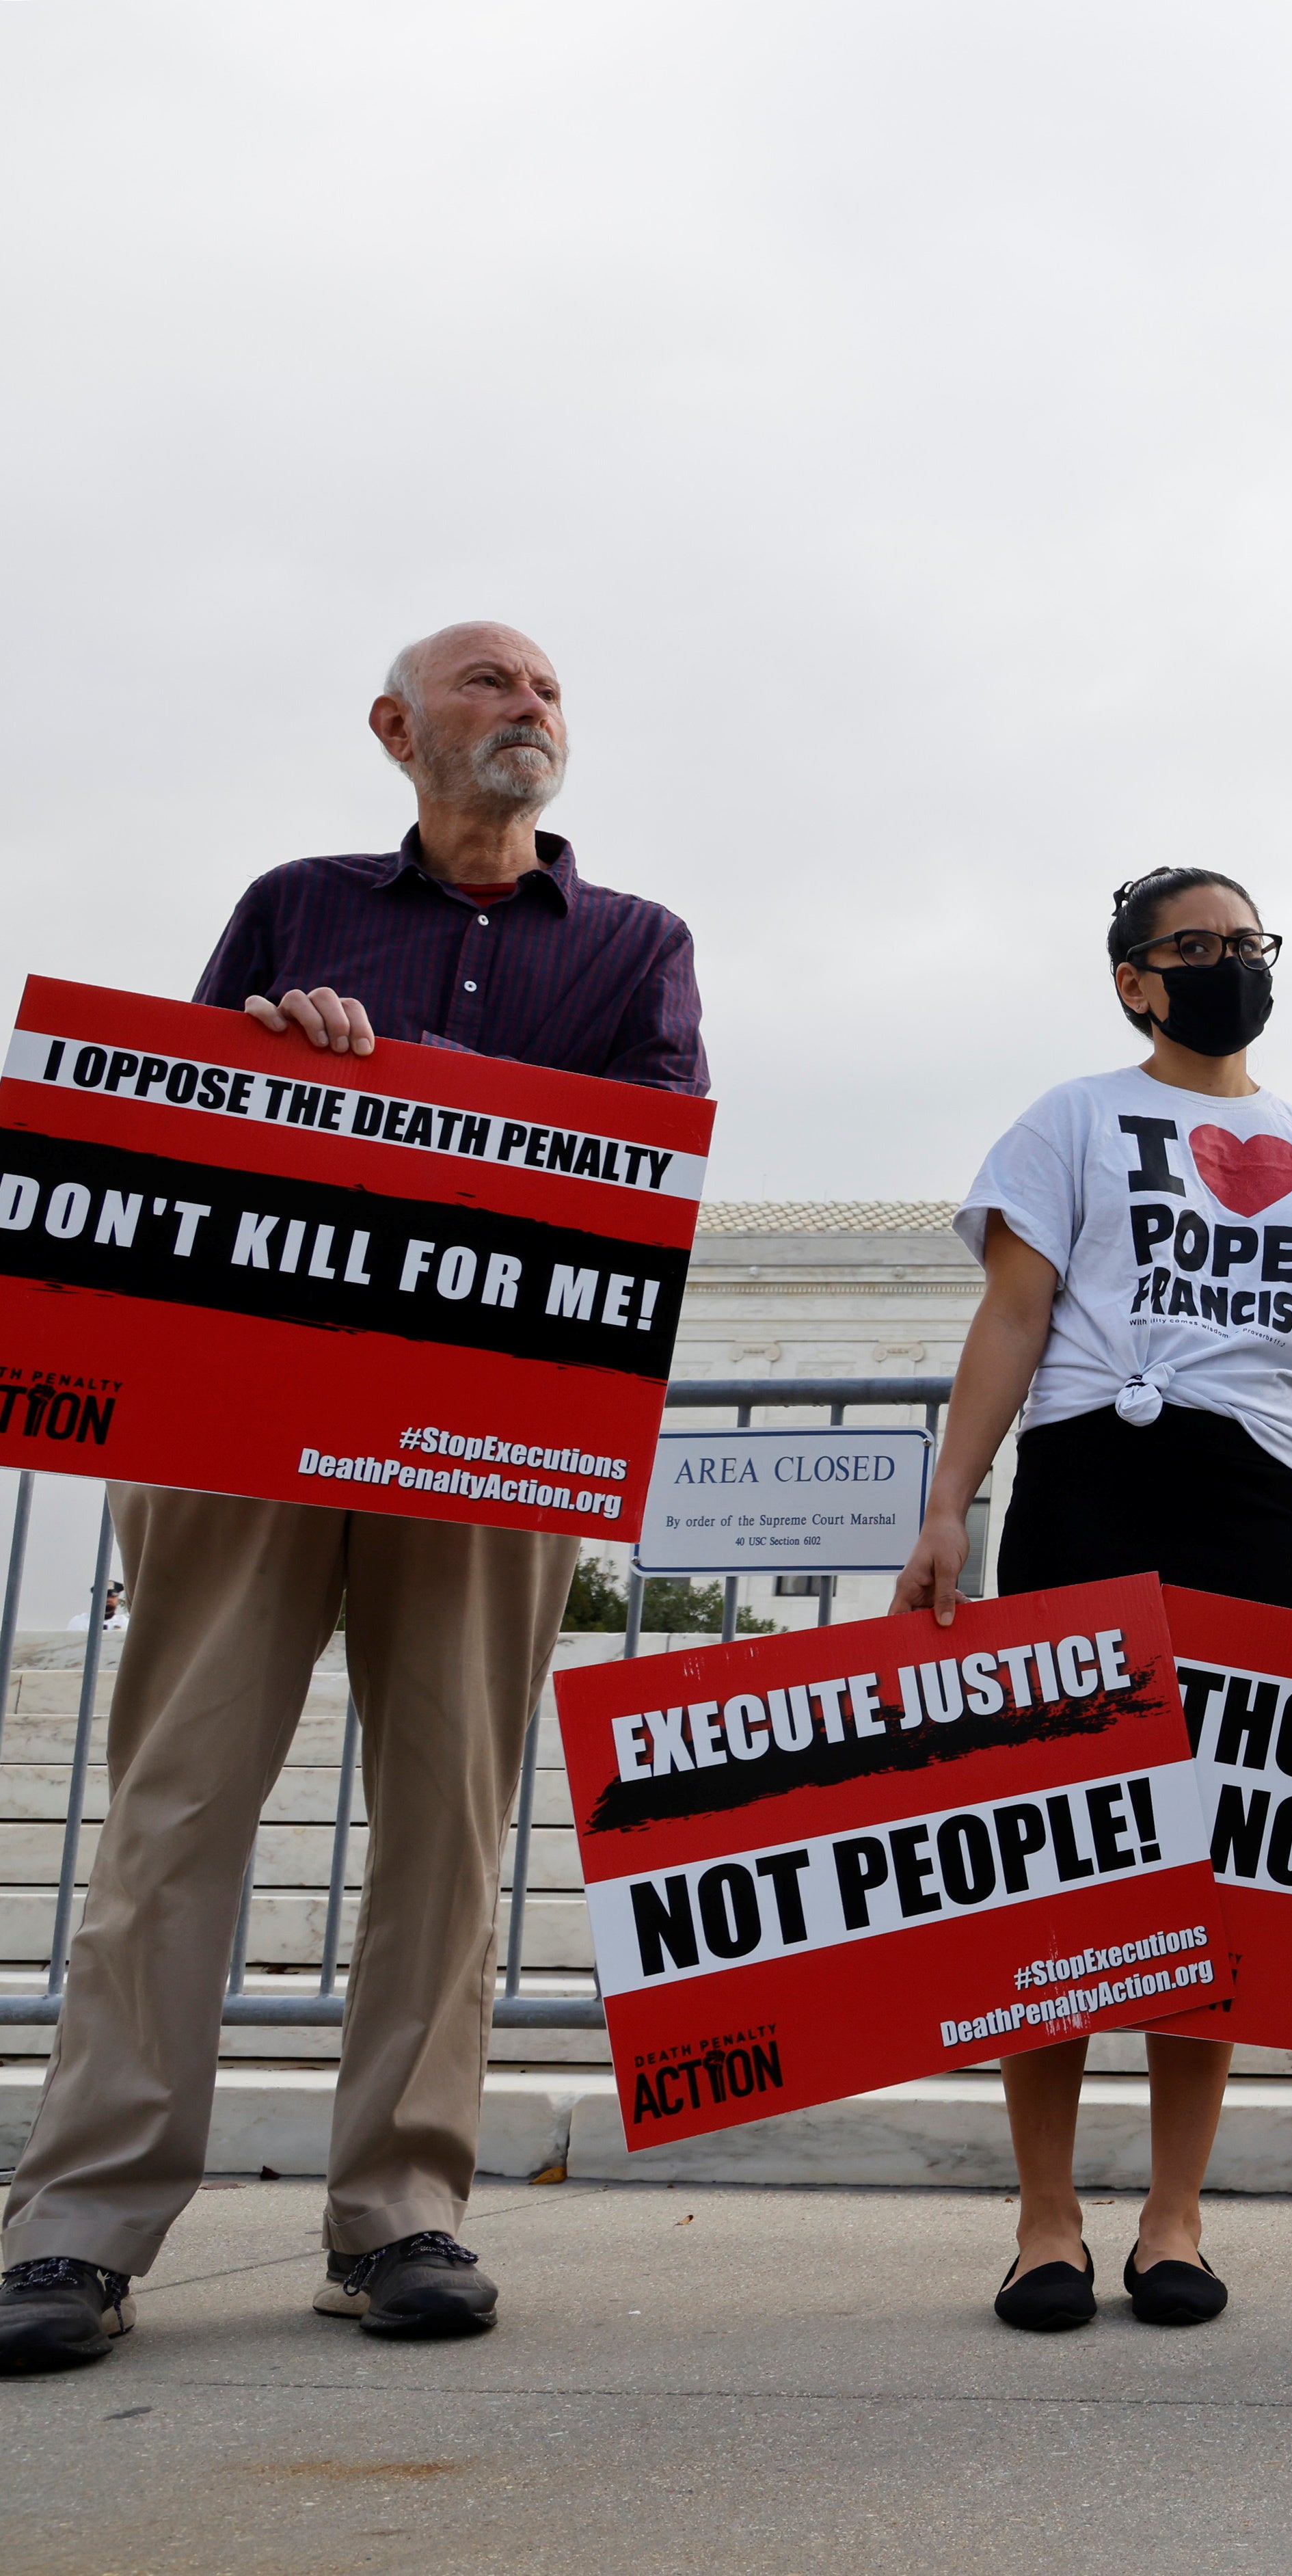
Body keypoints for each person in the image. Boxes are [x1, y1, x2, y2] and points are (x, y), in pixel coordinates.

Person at [0, 624, 705, 2376]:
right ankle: (77, 2227)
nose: (526, 706)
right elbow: (187, 1124)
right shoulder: (293, 903)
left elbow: (653, 1146)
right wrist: (276, 1049)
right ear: (396, 728)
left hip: (477, 1443)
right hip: (250, 1431)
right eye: (485, 683)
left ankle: (400, 2208)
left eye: (545, 687)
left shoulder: (637, 944)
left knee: (450, 1832)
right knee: (174, 1816)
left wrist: (435, 1102)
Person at [893, 865, 1292, 2334]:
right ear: (1135, 979)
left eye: (1243, 944)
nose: (1223, 966)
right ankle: (1044, 2218)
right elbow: (1012, 1314)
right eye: (1191, 947)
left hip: (1250, 1502)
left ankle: (1175, 2214)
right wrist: (951, 1505)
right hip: (1087, 1480)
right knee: (1059, 1860)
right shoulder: (1072, 1119)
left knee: (1207, 1876)